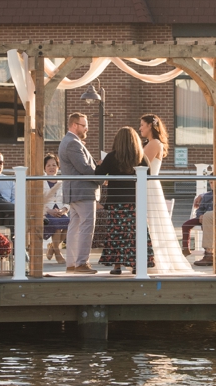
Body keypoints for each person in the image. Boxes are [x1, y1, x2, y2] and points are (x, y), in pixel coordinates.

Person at [137, 114, 193, 274]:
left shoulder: (154, 143)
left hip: (149, 186)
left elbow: (140, 164)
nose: (140, 128)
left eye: (142, 125)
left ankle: (155, 260)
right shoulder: (149, 143)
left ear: (150, 126)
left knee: (152, 221)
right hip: (146, 185)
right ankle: (147, 258)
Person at [95, 126, 149, 274]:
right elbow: (149, 173)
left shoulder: (112, 157)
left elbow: (98, 175)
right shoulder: (140, 156)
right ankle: (136, 264)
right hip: (135, 201)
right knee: (133, 232)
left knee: (116, 232)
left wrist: (100, 165)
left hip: (115, 201)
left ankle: (117, 266)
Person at [58, 112, 99, 274]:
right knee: (86, 226)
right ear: (74, 125)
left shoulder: (70, 141)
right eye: (84, 125)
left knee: (74, 227)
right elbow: (84, 168)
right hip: (82, 191)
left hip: (74, 192)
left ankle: (72, 263)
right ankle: (81, 263)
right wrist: (102, 176)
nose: (87, 128)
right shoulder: (73, 143)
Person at [42, 153, 69, 261]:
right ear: (44, 168)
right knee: (57, 225)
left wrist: (63, 210)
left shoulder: (63, 182)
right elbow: (38, 201)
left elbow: (68, 201)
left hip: (60, 212)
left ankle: (53, 247)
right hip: (47, 213)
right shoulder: (41, 182)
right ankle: (58, 253)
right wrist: (49, 210)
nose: (51, 168)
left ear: (58, 167)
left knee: (69, 222)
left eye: (54, 165)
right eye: (48, 165)